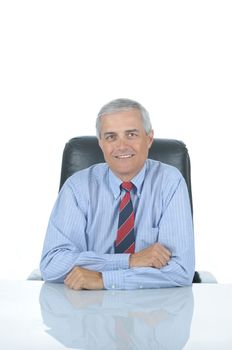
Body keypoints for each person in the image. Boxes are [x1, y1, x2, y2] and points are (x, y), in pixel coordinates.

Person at [40, 98, 195, 290]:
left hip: (152, 311)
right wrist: (130, 260)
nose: (122, 146)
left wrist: (103, 279)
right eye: (111, 137)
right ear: (101, 144)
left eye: (131, 134)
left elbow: (180, 271)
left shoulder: (170, 182)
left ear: (149, 138)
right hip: (86, 310)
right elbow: (52, 265)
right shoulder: (77, 187)